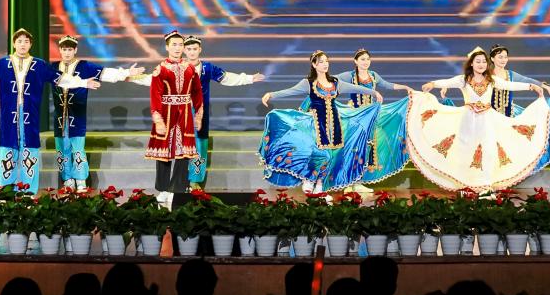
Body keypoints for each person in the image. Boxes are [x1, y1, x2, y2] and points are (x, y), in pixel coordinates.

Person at [0, 29, 94, 192]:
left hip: (30, 115)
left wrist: (83, 83)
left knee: (30, 150)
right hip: (10, 115)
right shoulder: (2, 64)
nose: (23, 44)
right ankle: (7, 191)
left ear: (30, 44)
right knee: (8, 149)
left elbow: (61, 78)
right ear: (14, 44)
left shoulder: (39, 65)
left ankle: (28, 191)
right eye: (19, 41)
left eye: (26, 41)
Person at [407, 46, 549, 191]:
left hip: (487, 120)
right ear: (471, 64)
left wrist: (531, 86)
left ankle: (485, 185)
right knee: (465, 150)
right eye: (478, 61)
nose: (481, 64)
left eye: (483, 61)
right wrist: (432, 84)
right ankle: (465, 185)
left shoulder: (492, 80)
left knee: (488, 150)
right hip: (467, 121)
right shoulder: (464, 80)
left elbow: (509, 85)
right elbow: (447, 82)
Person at [259, 51, 382, 193]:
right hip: (316, 125)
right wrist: (271, 94)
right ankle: (309, 178)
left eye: (326, 61)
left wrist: (374, 92)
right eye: (321, 62)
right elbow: (290, 91)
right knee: (321, 154)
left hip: (333, 125)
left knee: (330, 156)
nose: (325, 64)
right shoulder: (308, 83)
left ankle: (319, 185)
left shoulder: (335, 82)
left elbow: (355, 88)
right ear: (314, 64)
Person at [51, 35, 144, 192]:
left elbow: (105, 73)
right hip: (60, 117)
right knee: (62, 148)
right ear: (60, 50)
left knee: (78, 147)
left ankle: (81, 180)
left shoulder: (84, 66)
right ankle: (67, 180)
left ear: (75, 50)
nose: (67, 53)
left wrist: (127, 72)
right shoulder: (53, 67)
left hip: (77, 115)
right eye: (64, 49)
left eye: (70, 49)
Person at [181, 35, 265, 187]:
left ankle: (194, 181)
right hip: (180, 111)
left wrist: (249, 78)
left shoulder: (207, 68)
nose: (192, 52)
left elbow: (227, 78)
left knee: (200, 144)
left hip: (200, 112)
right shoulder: (176, 67)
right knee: (180, 143)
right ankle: (178, 180)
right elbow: (156, 80)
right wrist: (135, 76)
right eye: (189, 49)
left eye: (194, 49)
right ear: (184, 50)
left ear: (200, 50)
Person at [144, 31, 203, 209]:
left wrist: (198, 115)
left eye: (180, 45)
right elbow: (155, 94)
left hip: (184, 113)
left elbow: (197, 92)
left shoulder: (190, 69)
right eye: (174, 45)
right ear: (167, 47)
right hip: (166, 113)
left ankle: (177, 189)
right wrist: (158, 119)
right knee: (164, 153)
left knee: (184, 154)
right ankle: (162, 189)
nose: (177, 48)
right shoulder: (161, 69)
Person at [335, 48, 412, 184]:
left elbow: (387, 85)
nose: (366, 62)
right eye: (362, 59)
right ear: (355, 61)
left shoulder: (373, 75)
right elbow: (331, 80)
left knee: (367, 147)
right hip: (357, 116)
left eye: (367, 59)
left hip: (371, 117)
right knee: (355, 147)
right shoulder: (349, 76)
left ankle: (358, 182)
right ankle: (349, 182)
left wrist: (405, 87)